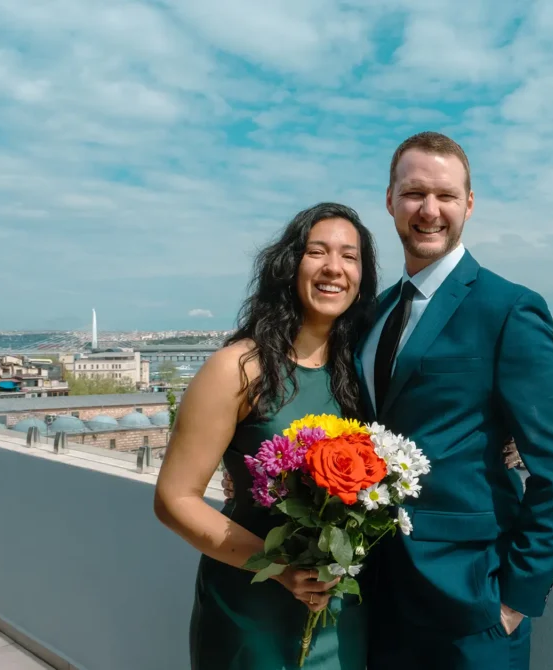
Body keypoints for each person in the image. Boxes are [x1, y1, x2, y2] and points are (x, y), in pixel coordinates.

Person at [360, 132, 553, 669]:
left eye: (445, 195)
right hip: (374, 592)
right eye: (414, 193)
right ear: (390, 200)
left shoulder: (507, 309)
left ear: (469, 204)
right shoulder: (372, 314)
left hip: (471, 603)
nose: (429, 210)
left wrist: (513, 598)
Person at [153, 203, 379, 670]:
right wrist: (281, 570)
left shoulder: (361, 373)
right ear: (290, 265)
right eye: (318, 251)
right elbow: (175, 498)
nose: (334, 267)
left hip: (339, 613)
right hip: (250, 607)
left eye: (350, 256)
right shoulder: (238, 368)